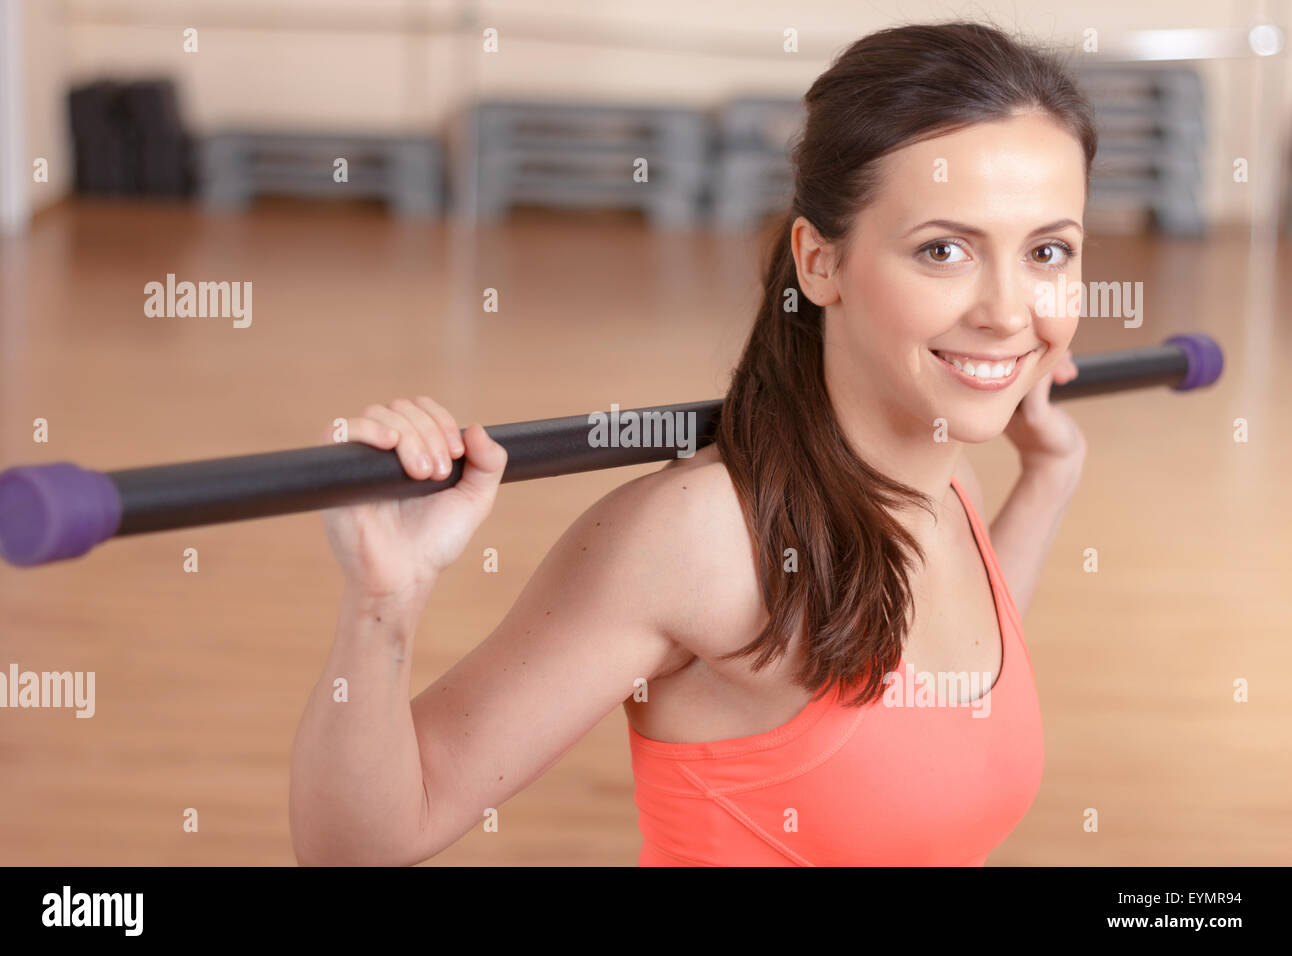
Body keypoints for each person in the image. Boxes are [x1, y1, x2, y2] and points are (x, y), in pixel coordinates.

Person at [289, 19, 1092, 866]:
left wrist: (1047, 478)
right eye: (944, 249)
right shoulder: (699, 539)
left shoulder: (942, 483)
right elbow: (358, 849)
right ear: (820, 263)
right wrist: (385, 601)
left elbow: (938, 713)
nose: (1009, 312)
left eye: (1047, 252)